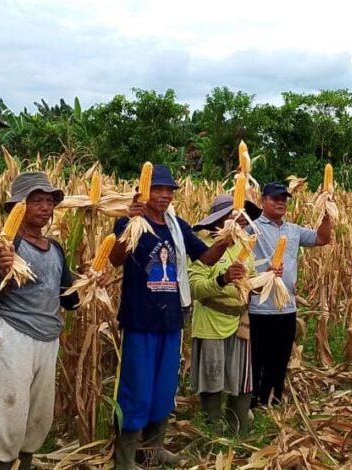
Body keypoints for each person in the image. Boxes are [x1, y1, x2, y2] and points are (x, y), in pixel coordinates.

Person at [108, 165, 233, 469]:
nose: (164, 196)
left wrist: (228, 238)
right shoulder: (129, 222)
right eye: (158, 189)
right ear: (145, 191)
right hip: (140, 320)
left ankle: (153, 451)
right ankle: (124, 458)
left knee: (164, 388)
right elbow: (114, 259)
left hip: (171, 320)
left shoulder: (177, 227)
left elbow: (205, 258)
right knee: (135, 388)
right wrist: (131, 223)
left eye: (169, 191)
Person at [0, 172, 79, 470]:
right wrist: (2, 271)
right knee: (7, 408)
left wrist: (91, 284)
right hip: (13, 335)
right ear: (18, 206)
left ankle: (25, 461)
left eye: (50, 201)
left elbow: (68, 298)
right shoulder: (5, 246)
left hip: (47, 338)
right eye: (37, 201)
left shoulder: (55, 248)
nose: (46, 207)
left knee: (37, 414)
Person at [247, 181, 332, 408]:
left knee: (280, 357)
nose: (280, 203)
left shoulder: (293, 230)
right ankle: (252, 402)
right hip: (259, 306)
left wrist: (327, 213)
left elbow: (322, 238)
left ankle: (272, 401)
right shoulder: (251, 228)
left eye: (284, 199)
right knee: (257, 358)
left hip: (286, 307)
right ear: (262, 201)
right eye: (275, 198)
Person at [189, 195, 262, 433]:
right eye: (234, 217)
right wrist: (223, 279)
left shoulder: (245, 247)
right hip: (211, 320)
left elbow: (248, 280)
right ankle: (213, 427)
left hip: (239, 320)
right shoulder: (202, 246)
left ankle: (238, 425)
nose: (240, 222)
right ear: (219, 220)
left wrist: (263, 281)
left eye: (242, 218)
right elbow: (194, 288)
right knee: (213, 375)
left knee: (240, 376)